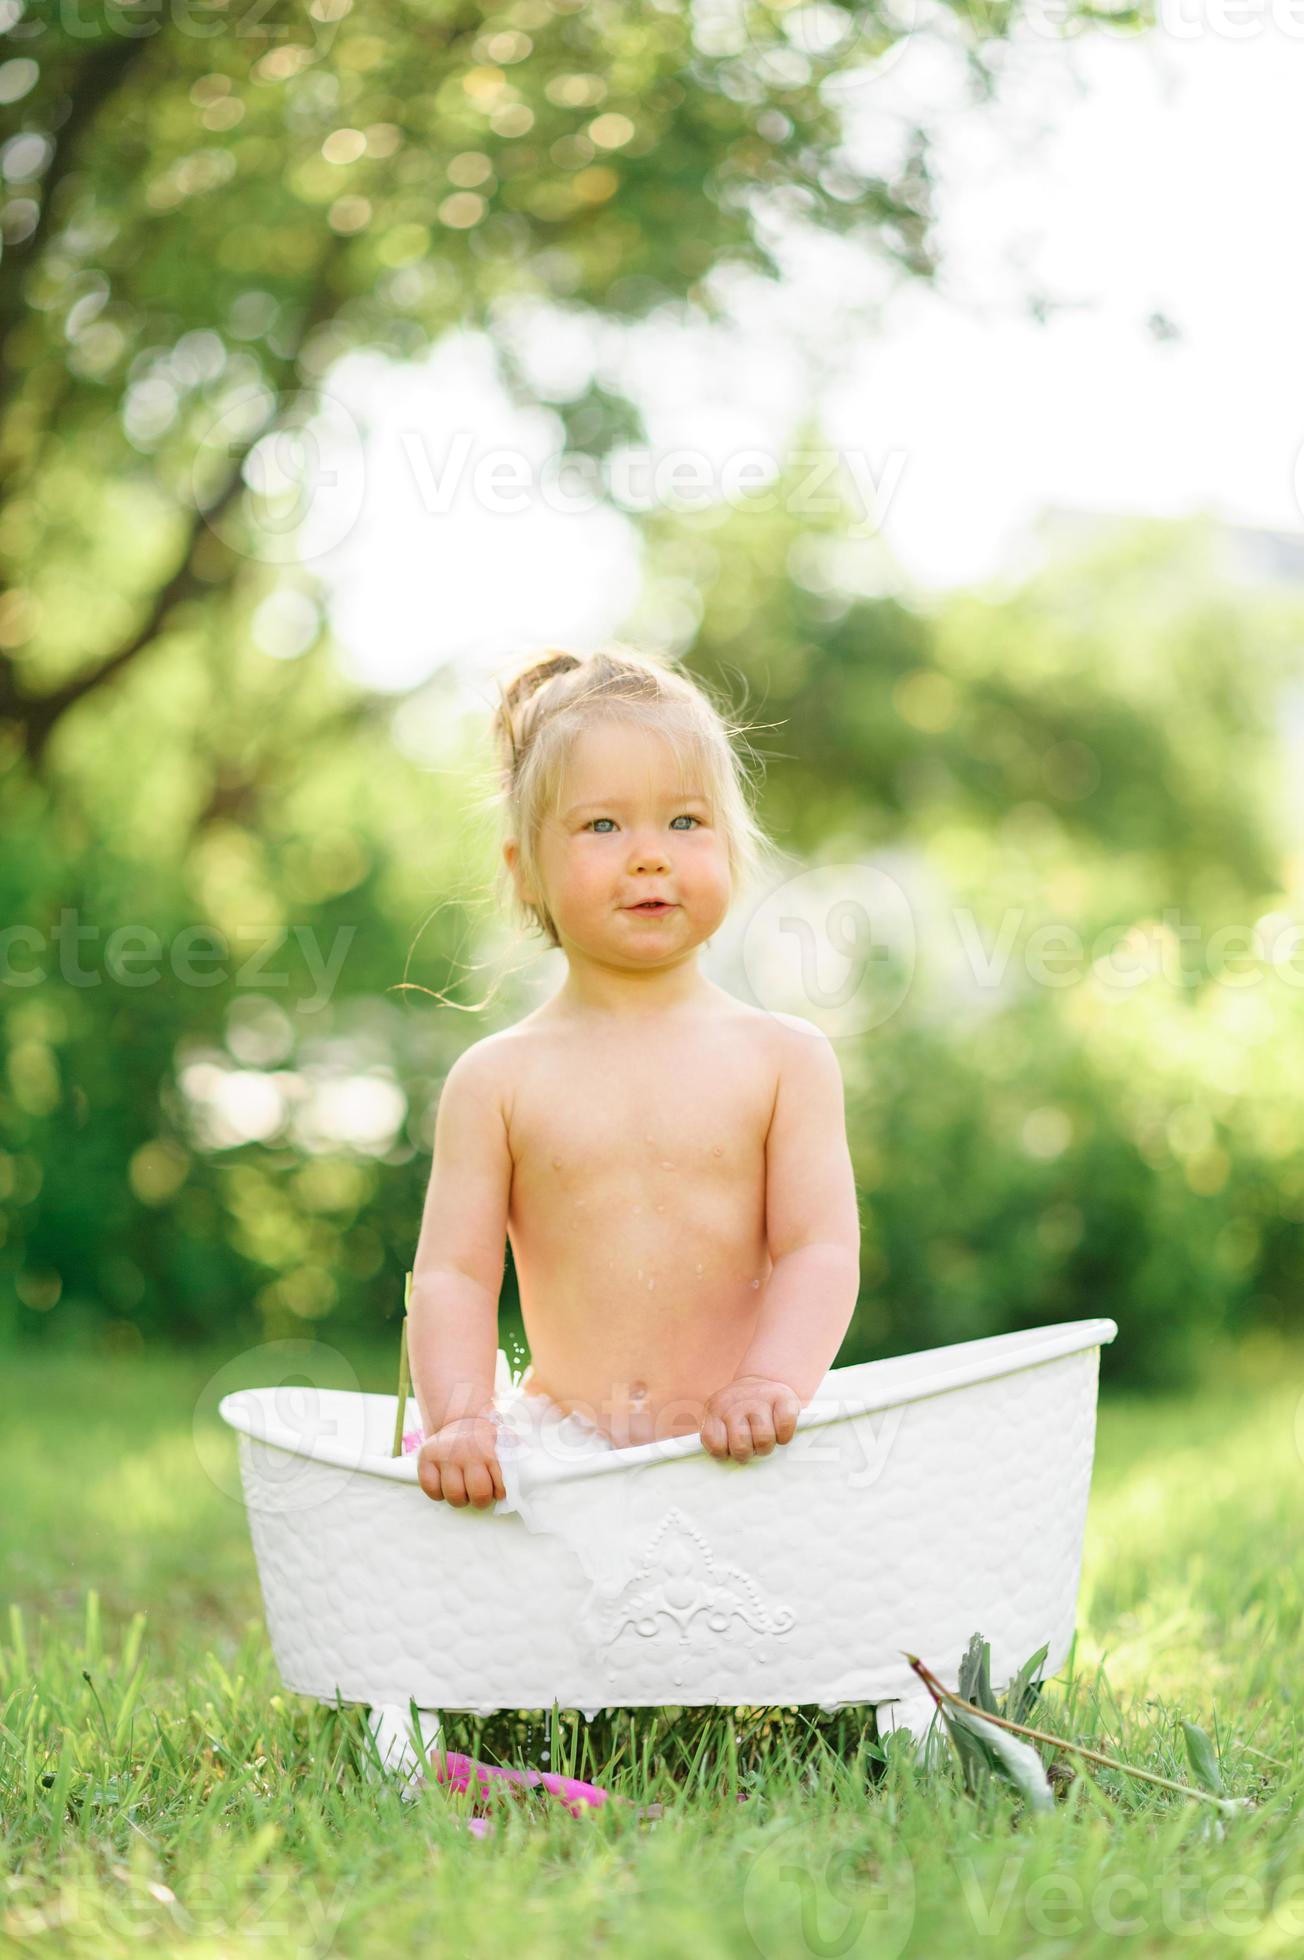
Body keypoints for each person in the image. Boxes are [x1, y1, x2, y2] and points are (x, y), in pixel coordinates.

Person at [408, 643, 862, 1508]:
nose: (649, 855)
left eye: (685, 822)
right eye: (603, 825)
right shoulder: (497, 1080)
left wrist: (771, 1381)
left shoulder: (783, 1060)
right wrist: (461, 1419)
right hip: (567, 1456)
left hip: (743, 1440)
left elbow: (820, 1248)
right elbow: (455, 1277)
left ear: (733, 846)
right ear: (526, 872)